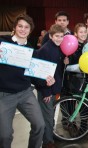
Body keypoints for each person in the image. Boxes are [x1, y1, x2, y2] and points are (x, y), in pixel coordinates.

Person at [0, 14, 55, 148]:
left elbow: (35, 77)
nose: (23, 29)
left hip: (25, 93)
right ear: (14, 27)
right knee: (5, 135)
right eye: (20, 26)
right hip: (4, 95)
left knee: (40, 125)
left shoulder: (32, 51)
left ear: (30, 31)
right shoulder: (2, 43)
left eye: (26, 27)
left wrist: (46, 81)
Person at [35, 24, 66, 148]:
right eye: (57, 36)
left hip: (54, 89)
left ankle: (49, 137)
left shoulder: (57, 48)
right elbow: (41, 73)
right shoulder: (46, 50)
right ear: (51, 36)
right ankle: (47, 142)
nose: (59, 39)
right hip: (46, 91)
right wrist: (46, 91)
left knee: (51, 115)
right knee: (47, 117)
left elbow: (56, 71)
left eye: (61, 36)